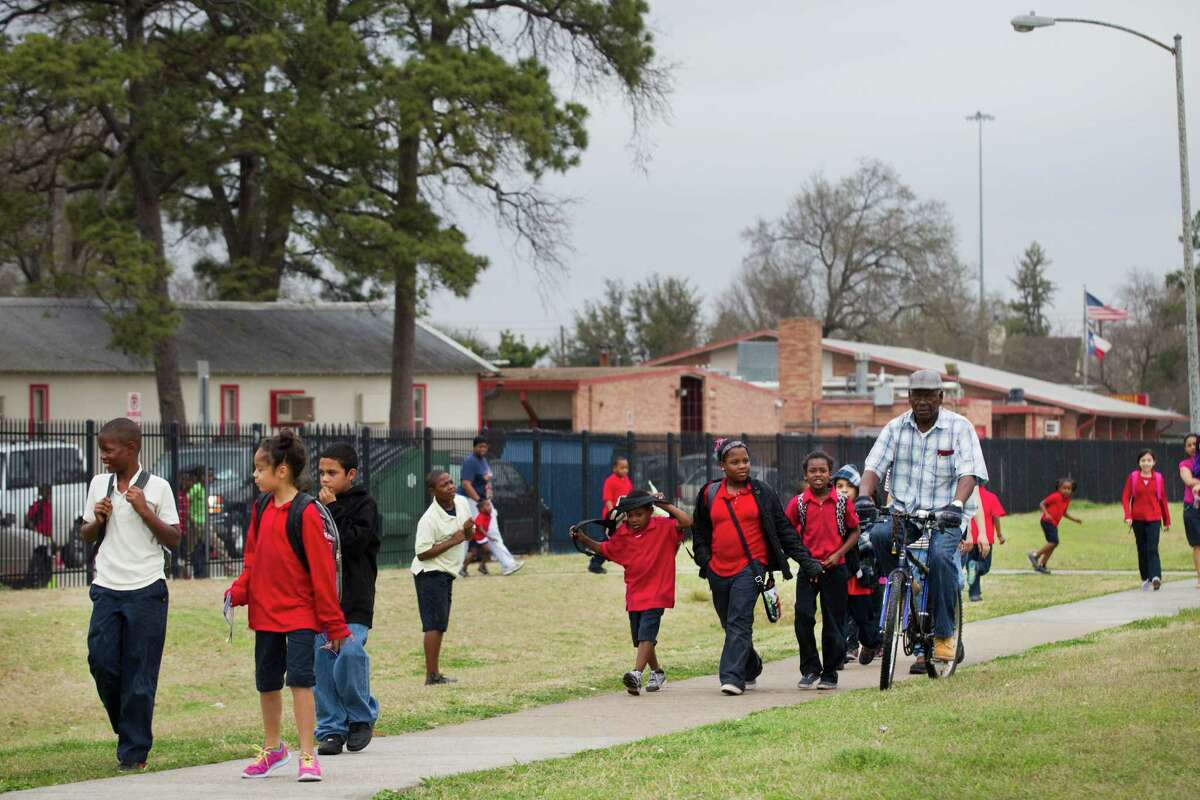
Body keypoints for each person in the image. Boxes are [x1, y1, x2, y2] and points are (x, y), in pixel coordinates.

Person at [225, 430, 350, 782]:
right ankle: (273, 748)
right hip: (264, 613)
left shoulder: (308, 512)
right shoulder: (261, 507)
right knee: (266, 683)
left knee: (300, 682)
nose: (254, 476)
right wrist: (238, 591)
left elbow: (323, 574)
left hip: (299, 614)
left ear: (281, 470)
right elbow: (252, 560)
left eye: (259, 469)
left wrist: (334, 624)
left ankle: (308, 754)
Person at [858, 369, 988, 668]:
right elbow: (873, 468)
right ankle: (905, 585)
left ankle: (943, 635)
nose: (923, 401)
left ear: (941, 397)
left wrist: (957, 504)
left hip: (946, 514)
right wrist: (865, 495)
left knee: (941, 559)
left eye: (930, 395)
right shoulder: (895, 428)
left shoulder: (959, 427)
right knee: (878, 536)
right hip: (905, 511)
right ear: (909, 397)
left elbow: (968, 473)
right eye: (917, 395)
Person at [79, 418, 182, 772]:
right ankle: (129, 731)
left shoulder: (157, 488)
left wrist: (143, 510)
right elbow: (87, 534)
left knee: (140, 674)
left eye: (108, 450)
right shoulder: (99, 484)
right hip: (107, 588)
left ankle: (133, 752)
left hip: (146, 590)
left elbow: (174, 538)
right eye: (101, 449)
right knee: (102, 663)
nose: (103, 456)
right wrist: (98, 519)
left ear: (132, 448)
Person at [690, 438, 822, 696]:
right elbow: (699, 531)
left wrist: (807, 562)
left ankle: (732, 677)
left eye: (746, 461)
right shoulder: (709, 493)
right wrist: (706, 561)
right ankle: (751, 665)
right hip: (718, 569)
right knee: (729, 623)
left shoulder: (762, 492)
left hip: (752, 568)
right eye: (735, 462)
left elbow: (784, 530)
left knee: (740, 618)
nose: (743, 466)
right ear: (722, 466)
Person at [571, 490, 692, 695]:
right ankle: (657, 672)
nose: (634, 519)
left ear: (650, 512)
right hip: (635, 594)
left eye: (639, 514)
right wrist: (583, 538)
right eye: (630, 515)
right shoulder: (623, 535)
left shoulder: (664, 527)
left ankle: (636, 674)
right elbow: (605, 550)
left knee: (646, 633)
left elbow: (686, 521)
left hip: (658, 592)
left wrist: (660, 503)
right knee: (641, 638)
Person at [314, 442, 382, 756]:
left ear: (350, 474)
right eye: (321, 473)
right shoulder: (314, 508)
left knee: (351, 653)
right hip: (322, 601)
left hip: (355, 599)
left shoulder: (363, 504)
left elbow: (353, 542)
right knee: (323, 662)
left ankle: (360, 717)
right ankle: (331, 728)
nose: (325, 479)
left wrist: (334, 509)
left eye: (332, 473)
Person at [784, 451, 861, 691]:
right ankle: (809, 669)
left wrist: (839, 554)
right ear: (805, 475)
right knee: (803, 617)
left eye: (823, 470)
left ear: (830, 473)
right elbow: (788, 534)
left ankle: (829, 673)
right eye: (813, 471)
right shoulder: (797, 503)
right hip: (809, 570)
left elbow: (854, 531)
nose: (818, 475)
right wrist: (805, 560)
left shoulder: (841, 502)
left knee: (833, 623)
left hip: (835, 569)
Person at [414, 470, 473, 685]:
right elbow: (421, 552)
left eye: (450, 482)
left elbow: (468, 535)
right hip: (430, 572)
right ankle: (432, 675)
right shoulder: (429, 519)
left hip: (446, 572)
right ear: (433, 491)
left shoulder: (461, 503)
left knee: (440, 623)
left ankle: (435, 673)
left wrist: (468, 531)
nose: (450, 486)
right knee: (434, 624)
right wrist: (455, 540)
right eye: (443, 485)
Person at [832, 466, 880, 666]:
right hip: (838, 573)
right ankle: (838, 653)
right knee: (837, 615)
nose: (843, 490)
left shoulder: (867, 512)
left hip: (861, 575)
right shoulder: (830, 510)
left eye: (849, 487)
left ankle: (871, 643)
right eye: (839, 486)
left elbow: (870, 542)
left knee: (863, 617)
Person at [458, 435, 523, 576]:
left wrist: (488, 494)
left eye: (485, 446)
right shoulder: (470, 461)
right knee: (486, 531)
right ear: (474, 447)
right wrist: (479, 501)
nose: (482, 449)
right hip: (470, 501)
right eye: (479, 446)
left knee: (468, 534)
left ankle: (507, 562)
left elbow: (485, 481)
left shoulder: (483, 461)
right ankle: (508, 564)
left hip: (480, 501)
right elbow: (466, 484)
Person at [1122, 450, 1171, 591]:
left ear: (1154, 462)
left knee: (1152, 548)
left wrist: (1167, 520)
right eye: (1143, 460)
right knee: (1141, 549)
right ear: (1139, 462)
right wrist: (1128, 515)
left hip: (1154, 519)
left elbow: (1163, 500)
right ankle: (1145, 578)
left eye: (1149, 460)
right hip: (1137, 519)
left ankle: (1156, 577)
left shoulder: (1159, 478)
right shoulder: (1133, 477)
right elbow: (1125, 497)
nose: (1146, 463)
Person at [589, 455, 633, 575]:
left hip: (622, 518)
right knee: (609, 542)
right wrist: (613, 514)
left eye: (626, 467)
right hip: (612, 519)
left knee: (617, 542)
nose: (625, 470)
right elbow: (608, 500)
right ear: (614, 468)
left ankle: (596, 563)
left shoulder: (627, 481)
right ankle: (595, 563)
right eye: (622, 467)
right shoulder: (610, 481)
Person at [962, 485, 1006, 602]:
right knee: (984, 566)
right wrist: (999, 534)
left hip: (969, 537)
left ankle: (974, 595)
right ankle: (976, 567)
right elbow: (996, 516)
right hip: (985, 537)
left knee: (971, 566)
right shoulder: (991, 497)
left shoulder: (966, 494)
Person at [1030, 478, 1081, 574]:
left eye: (1069, 489)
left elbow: (1064, 513)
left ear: (1072, 490)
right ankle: (1035, 555)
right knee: (1054, 542)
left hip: (1053, 523)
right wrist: (1047, 514)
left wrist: (1074, 520)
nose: (1066, 490)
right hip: (1047, 521)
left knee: (1053, 544)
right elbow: (1042, 504)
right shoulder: (1056, 496)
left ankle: (1042, 565)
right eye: (1064, 488)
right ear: (1059, 488)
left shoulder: (1067, 500)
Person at [1178, 433, 1200, 588]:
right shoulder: (1184, 464)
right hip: (1192, 508)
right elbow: (1189, 480)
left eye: (1195, 444)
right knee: (1198, 545)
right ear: (1185, 448)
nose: (1193, 447)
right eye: (1189, 445)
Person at [24, 483, 54, 587]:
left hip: (49, 537)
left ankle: (48, 581)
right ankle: (42, 581)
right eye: (46, 491)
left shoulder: (53, 504)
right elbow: (27, 517)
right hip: (40, 538)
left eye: (49, 491)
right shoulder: (38, 505)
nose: (48, 493)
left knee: (50, 560)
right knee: (42, 560)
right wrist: (34, 528)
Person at [460, 497, 494, 576]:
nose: (490, 507)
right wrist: (488, 536)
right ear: (481, 509)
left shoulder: (488, 515)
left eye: (490, 505)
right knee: (472, 554)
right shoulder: (480, 516)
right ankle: (463, 569)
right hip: (475, 538)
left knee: (488, 551)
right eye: (488, 505)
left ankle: (482, 566)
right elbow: (479, 527)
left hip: (481, 538)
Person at [187, 466, 209, 579]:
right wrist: (192, 520)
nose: (208, 478)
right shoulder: (196, 488)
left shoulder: (205, 488)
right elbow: (187, 501)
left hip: (204, 523)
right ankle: (187, 571)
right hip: (195, 523)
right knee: (192, 549)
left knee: (214, 543)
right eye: (206, 475)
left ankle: (229, 567)